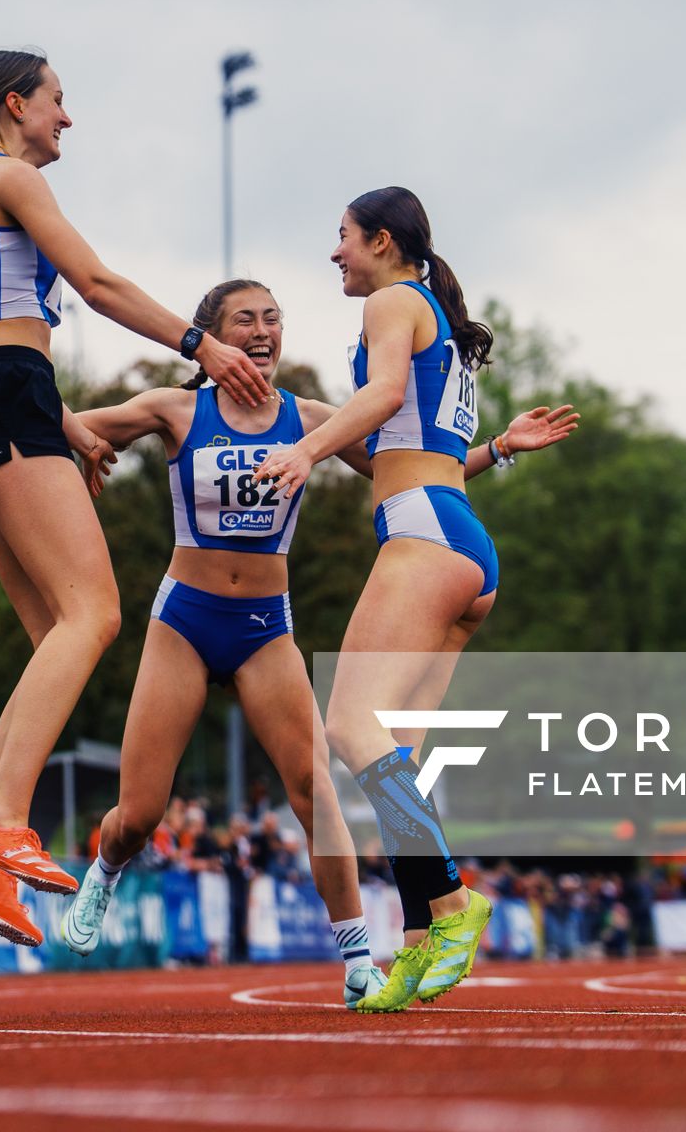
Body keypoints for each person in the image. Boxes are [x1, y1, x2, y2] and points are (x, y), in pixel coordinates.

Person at [60, 278, 575, 1006]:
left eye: (274, 318)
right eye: (245, 320)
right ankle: (106, 870)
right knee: (140, 812)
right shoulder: (175, 410)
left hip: (266, 628)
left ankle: (358, 958)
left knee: (318, 796)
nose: (264, 331)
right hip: (184, 620)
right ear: (210, 337)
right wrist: (56, 422)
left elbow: (417, 469)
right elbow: (60, 427)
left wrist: (499, 447)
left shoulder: (309, 420)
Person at [0, 49, 271, 945]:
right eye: (58, 102)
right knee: (96, 617)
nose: (67, 119)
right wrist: (202, 345)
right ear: (15, 106)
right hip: (4, 402)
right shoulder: (5, 174)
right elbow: (98, 284)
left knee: (55, 642)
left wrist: (68, 424)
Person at [257, 187, 521, 1011]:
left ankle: (451, 906)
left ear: (380, 239)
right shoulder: (429, 307)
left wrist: (302, 450)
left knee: (347, 727)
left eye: (341, 238)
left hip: (423, 535)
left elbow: (379, 401)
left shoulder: (395, 301)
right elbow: (411, 446)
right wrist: (502, 452)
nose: (334, 253)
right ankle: (415, 944)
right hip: (460, 538)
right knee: (394, 757)